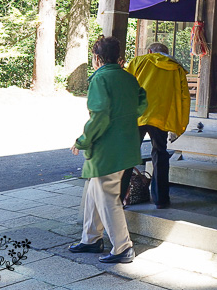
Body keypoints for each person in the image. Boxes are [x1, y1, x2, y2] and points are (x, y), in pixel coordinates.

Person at [69, 36, 146, 264]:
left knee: (107, 196)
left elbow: (99, 115)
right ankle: (91, 238)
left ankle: (123, 247)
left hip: (107, 148)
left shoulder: (100, 79)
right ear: (118, 56)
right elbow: (142, 104)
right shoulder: (129, 78)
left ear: (97, 58)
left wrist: (82, 140)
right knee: (96, 190)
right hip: (126, 144)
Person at [120, 42, 190, 209]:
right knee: (160, 154)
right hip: (161, 118)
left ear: (150, 51)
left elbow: (124, 86)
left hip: (136, 116)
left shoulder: (138, 62)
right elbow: (184, 98)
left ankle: (119, 197)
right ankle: (161, 200)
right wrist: (179, 124)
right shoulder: (176, 68)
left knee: (128, 155)